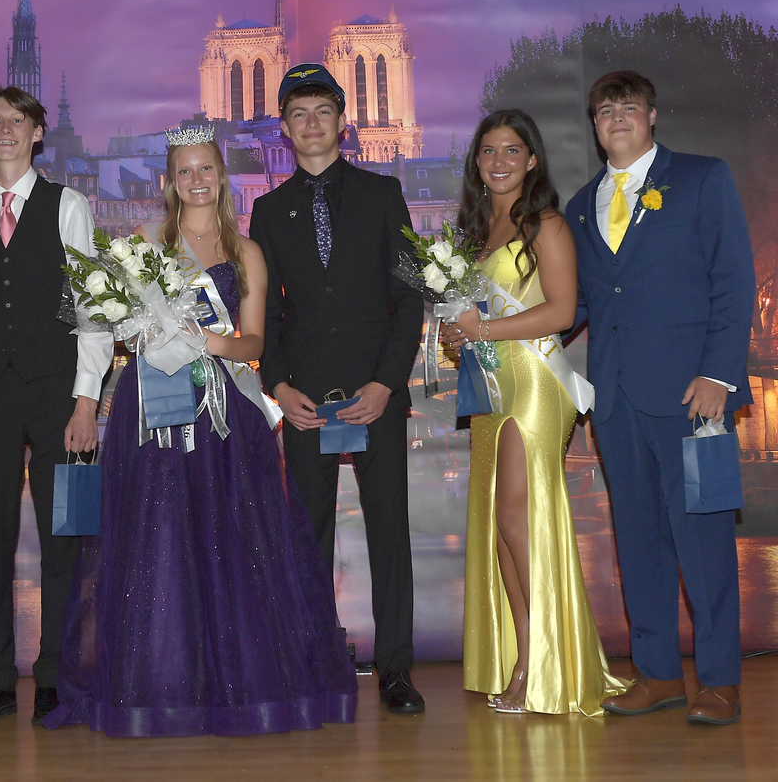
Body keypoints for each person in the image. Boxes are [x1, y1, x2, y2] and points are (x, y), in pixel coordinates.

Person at [44, 127, 358, 738]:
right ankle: (160, 682)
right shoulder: (142, 245)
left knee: (229, 543)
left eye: (205, 169)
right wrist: (152, 335)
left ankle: (232, 682)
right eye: (183, 171)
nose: (195, 179)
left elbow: (256, 343)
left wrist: (214, 342)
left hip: (223, 405)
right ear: (169, 182)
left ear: (221, 176)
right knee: (159, 538)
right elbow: (118, 326)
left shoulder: (248, 253)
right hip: (153, 406)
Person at [565, 71, 754, 725]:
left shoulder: (704, 178)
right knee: (638, 539)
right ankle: (657, 673)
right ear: (593, 124)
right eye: (604, 110)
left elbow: (734, 281)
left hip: (692, 398)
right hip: (614, 402)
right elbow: (581, 303)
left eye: (628, 107)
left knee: (703, 542)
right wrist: (506, 334)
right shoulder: (581, 204)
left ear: (652, 116)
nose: (615, 118)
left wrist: (720, 376)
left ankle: (721, 680)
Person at [249, 64, 425, 713]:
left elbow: (410, 298)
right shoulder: (268, 212)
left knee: (389, 534)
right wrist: (277, 385)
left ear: (341, 122)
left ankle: (397, 671)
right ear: (285, 129)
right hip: (306, 404)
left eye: (323, 111)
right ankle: (314, 662)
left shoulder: (385, 195)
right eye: (299, 114)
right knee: (307, 537)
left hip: (376, 394)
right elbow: (266, 314)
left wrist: (386, 381)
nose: (312, 123)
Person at [443, 111, 626, 714]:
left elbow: (562, 311)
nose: (499, 161)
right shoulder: (475, 230)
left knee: (521, 522)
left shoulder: (545, 223)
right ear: (477, 161)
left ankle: (544, 663)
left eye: (512, 151)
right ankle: (528, 653)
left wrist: (484, 327)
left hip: (536, 384)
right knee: (501, 528)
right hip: (492, 385)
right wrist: (458, 338)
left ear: (532, 160)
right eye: (489, 151)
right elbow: (473, 322)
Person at [0, 87, 114, 725]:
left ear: (38, 132)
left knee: (63, 541)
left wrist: (85, 400)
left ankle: (55, 674)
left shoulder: (68, 206)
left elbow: (93, 309)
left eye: (17, 121)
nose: (5, 131)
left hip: (56, 395)